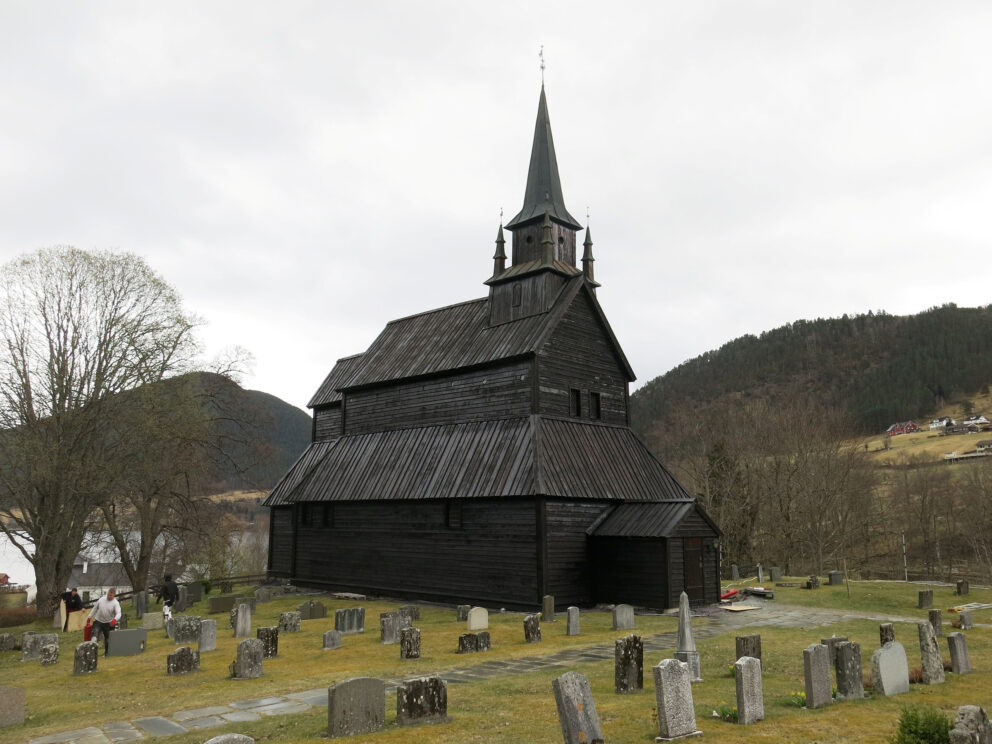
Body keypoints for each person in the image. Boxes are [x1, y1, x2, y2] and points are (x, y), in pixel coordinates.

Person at [87, 588, 121, 656]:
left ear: (114, 595)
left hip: (109, 623)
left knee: (108, 639)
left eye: (111, 595)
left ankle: (106, 653)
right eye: (108, 595)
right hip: (98, 621)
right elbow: (95, 608)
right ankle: (91, 653)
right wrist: (89, 617)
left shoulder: (115, 603)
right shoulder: (101, 599)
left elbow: (119, 613)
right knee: (94, 636)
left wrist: (114, 620)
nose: (109, 596)